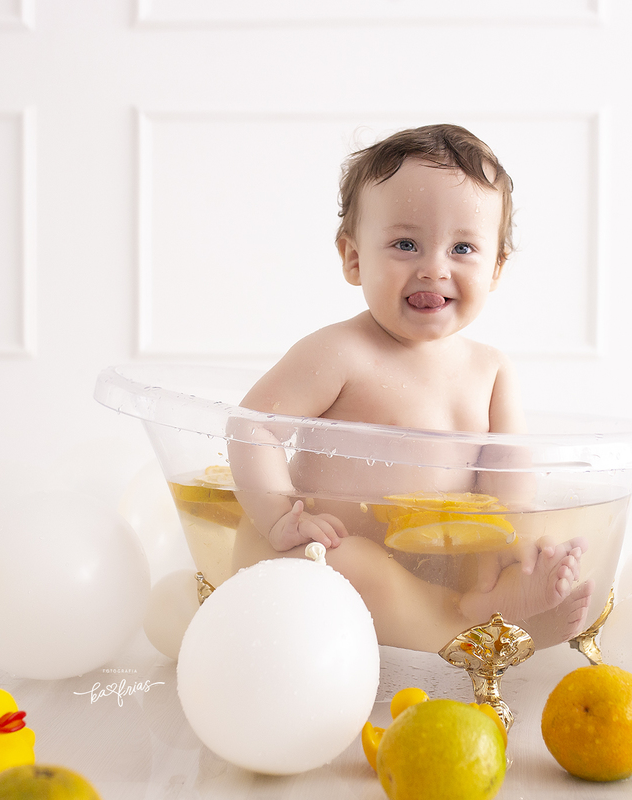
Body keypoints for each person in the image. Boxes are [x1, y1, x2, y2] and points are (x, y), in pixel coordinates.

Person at [226, 124, 591, 652]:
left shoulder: (490, 371)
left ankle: (488, 602)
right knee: (356, 566)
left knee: (509, 544)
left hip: (441, 565)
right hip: (310, 557)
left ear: (495, 269)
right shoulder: (341, 352)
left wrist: (517, 543)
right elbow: (251, 425)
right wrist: (282, 517)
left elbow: (509, 479)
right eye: (405, 244)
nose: (433, 268)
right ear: (354, 258)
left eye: (462, 247)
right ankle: (476, 637)